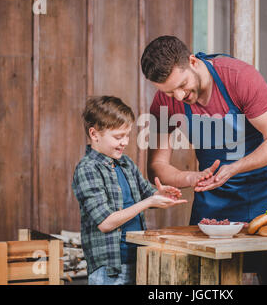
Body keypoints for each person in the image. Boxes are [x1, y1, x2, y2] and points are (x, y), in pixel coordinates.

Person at [142, 36, 267, 282]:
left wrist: (233, 168)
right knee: (206, 279)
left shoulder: (239, 77)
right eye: (169, 92)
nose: (178, 97)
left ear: (192, 61)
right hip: (214, 198)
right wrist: (190, 177)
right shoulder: (165, 101)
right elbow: (156, 167)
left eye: (182, 85)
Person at [72, 96, 186, 285]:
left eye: (127, 135)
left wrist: (159, 195)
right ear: (94, 134)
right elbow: (105, 223)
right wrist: (148, 202)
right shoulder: (88, 169)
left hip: (137, 258)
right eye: (118, 137)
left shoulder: (125, 163)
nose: (125, 142)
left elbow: (145, 194)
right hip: (110, 268)